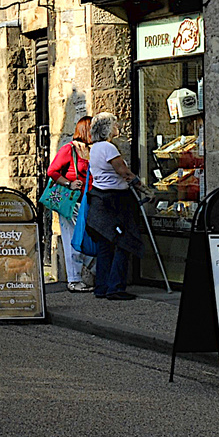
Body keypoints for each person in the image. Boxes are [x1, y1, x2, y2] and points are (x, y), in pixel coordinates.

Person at [84, 112, 144, 301]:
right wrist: (139, 183)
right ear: (108, 128)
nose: (118, 128)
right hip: (116, 200)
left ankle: (102, 286)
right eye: (115, 124)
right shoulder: (109, 148)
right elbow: (122, 170)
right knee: (123, 242)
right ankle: (116, 287)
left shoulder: (94, 148)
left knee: (105, 245)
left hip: (101, 198)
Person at [46, 115, 94, 292]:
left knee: (83, 236)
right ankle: (74, 279)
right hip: (71, 201)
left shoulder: (90, 150)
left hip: (87, 201)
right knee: (72, 237)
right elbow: (52, 171)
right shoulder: (69, 149)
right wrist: (69, 183)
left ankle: (92, 270)